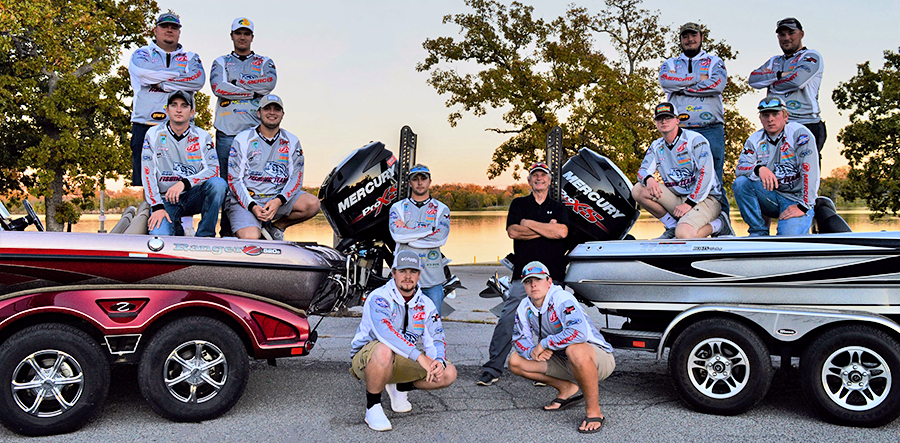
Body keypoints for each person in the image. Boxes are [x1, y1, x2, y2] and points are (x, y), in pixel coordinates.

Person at [478, 162, 569, 386]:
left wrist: (529, 225)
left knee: (554, 322)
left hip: (552, 275)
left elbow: (562, 232)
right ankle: (493, 368)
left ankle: (552, 369)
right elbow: (513, 232)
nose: (539, 178)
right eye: (535, 175)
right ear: (529, 181)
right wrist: (545, 229)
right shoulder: (519, 204)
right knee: (508, 318)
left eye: (543, 175)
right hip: (523, 276)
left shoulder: (559, 207)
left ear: (549, 181)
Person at [349, 250, 458, 432]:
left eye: (413, 271)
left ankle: (400, 387)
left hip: (402, 357)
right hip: (367, 359)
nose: (407, 277)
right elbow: (387, 334)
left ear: (419, 275)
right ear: (393, 273)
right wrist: (421, 359)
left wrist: (437, 361)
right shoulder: (379, 297)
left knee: (448, 372)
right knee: (385, 349)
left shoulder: (426, 303)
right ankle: (373, 407)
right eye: (402, 271)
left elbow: (436, 338)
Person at [509, 261, 615, 434]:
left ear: (549, 281)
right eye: (528, 281)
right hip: (564, 360)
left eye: (538, 279)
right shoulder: (524, 306)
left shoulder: (562, 298)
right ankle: (566, 388)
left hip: (597, 359)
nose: (533, 284)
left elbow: (578, 333)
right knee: (515, 360)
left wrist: (544, 344)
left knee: (576, 350)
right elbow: (519, 338)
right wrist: (531, 351)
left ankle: (594, 412)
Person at [225, 94, 320, 240]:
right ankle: (240, 232)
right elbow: (234, 180)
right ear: (259, 113)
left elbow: (296, 177)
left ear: (282, 114)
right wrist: (253, 206)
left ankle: (275, 228)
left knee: (312, 204)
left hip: (275, 201)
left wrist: (278, 201)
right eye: (267, 109)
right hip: (248, 203)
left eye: (276, 109)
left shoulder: (292, 141)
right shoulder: (243, 139)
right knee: (251, 238)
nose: (272, 112)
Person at [632, 102, 732, 239]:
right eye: (660, 118)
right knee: (639, 190)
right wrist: (648, 179)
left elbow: (706, 174)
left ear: (677, 120)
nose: (664, 121)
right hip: (678, 198)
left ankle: (719, 225)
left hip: (706, 199)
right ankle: (672, 226)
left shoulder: (695, 140)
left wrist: (690, 203)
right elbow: (642, 171)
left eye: (668, 117)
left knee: (684, 235)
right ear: (655, 122)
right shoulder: (656, 145)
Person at [129, 12, 206, 187]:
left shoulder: (191, 57)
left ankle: (180, 214)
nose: (169, 30)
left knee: (182, 178)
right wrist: (180, 77)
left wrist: (160, 83)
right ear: (155, 30)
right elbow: (142, 73)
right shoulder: (141, 54)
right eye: (165, 27)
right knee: (145, 181)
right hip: (145, 124)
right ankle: (150, 212)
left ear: (179, 32)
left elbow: (198, 80)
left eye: (174, 27)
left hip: (182, 128)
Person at [659, 22, 729, 201]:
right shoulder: (670, 63)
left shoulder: (714, 61)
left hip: (710, 128)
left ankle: (723, 225)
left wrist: (682, 88)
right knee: (682, 180)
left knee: (714, 181)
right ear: (681, 40)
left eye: (693, 36)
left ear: (701, 38)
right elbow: (666, 82)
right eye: (685, 36)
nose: (690, 40)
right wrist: (698, 79)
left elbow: (716, 85)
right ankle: (681, 224)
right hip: (680, 131)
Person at [141, 91, 226, 237]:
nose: (179, 110)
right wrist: (157, 206)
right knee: (160, 237)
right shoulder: (153, 134)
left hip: (192, 196)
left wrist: (185, 183)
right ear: (167, 110)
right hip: (165, 200)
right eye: (174, 105)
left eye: (184, 106)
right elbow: (147, 172)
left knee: (218, 184)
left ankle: (205, 236)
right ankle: (177, 230)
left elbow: (213, 170)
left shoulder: (202, 136)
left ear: (192, 112)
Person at [733, 96, 819, 236]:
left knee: (788, 242)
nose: (770, 119)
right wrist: (758, 169)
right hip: (772, 196)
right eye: (765, 115)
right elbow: (740, 168)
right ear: (760, 118)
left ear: (786, 116)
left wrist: (804, 206)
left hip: (797, 199)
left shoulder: (799, 134)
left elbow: (810, 170)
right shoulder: (754, 139)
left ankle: (804, 221)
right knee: (741, 183)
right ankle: (758, 231)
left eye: (775, 114)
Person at [749, 17, 825, 168]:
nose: (786, 38)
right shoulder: (774, 61)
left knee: (806, 173)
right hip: (777, 125)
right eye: (782, 35)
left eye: (791, 33)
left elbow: (796, 81)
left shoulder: (811, 56)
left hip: (806, 122)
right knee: (776, 173)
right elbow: (753, 80)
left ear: (801, 34)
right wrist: (779, 75)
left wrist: (771, 82)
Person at [209, 17, 278, 180]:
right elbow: (219, 88)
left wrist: (236, 83)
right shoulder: (221, 61)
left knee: (256, 179)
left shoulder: (264, 62)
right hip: (227, 132)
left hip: (256, 131)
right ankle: (227, 207)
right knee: (226, 180)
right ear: (231, 35)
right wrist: (253, 93)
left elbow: (269, 84)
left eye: (246, 34)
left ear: (252, 37)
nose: (242, 37)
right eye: (238, 33)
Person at [389, 164, 451, 315]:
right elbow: (398, 235)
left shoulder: (441, 209)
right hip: (404, 279)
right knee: (401, 327)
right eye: (415, 179)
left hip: (432, 279)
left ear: (430, 181)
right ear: (409, 183)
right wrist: (429, 229)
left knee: (432, 327)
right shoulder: (397, 208)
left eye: (423, 178)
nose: (420, 182)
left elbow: (439, 239)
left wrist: (410, 237)